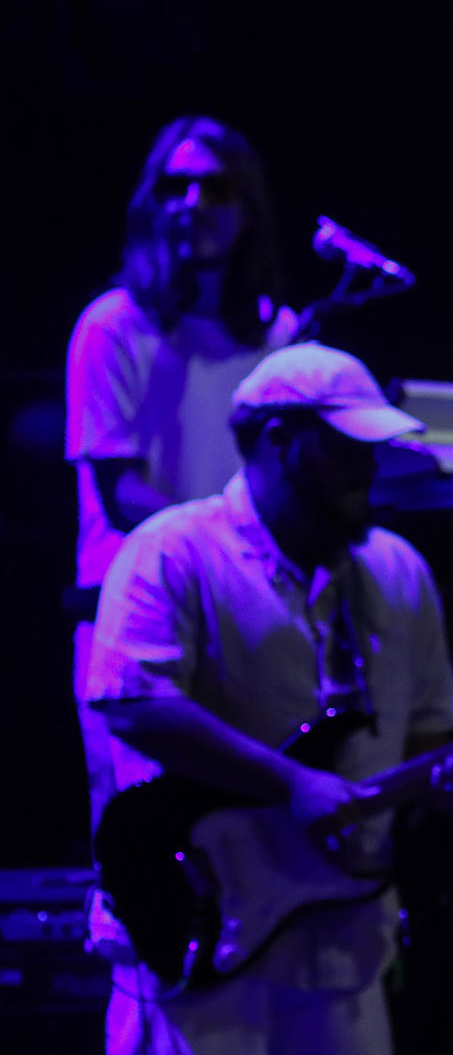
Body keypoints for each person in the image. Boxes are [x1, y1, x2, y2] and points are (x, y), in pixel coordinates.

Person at [87, 345, 453, 1055]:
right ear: (273, 438)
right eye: (342, 447)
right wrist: (290, 784)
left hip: (340, 939)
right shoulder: (172, 551)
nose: (364, 469)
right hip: (201, 927)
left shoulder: (396, 570)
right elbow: (131, 701)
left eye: (369, 449)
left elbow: (435, 729)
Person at [66, 115, 300, 835]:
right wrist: (241, 553)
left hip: (246, 621)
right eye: (175, 185)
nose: (192, 203)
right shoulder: (112, 328)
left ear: (247, 209)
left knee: (247, 848)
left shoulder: (280, 333)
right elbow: (124, 495)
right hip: (141, 624)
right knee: (145, 854)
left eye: (216, 188)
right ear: (151, 203)